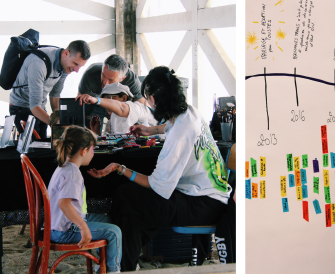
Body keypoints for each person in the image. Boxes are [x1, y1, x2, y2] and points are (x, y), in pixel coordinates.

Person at [87, 66, 232, 271]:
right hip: (211, 194)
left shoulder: (179, 135)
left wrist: (120, 168)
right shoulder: (190, 112)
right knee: (132, 201)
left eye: (147, 98)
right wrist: (151, 129)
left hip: (203, 205)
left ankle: (122, 263)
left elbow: (156, 185)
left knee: (128, 197)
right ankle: (124, 257)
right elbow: (170, 125)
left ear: (153, 99)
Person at [49, 125, 122, 273]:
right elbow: (64, 203)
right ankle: (113, 270)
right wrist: (83, 227)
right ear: (84, 151)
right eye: (93, 149)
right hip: (65, 230)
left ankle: (101, 266)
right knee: (114, 232)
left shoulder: (65, 167)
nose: (93, 153)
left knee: (110, 221)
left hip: (58, 225)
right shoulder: (72, 173)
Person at [9, 40, 91, 138]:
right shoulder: (38, 63)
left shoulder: (65, 65)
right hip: (21, 107)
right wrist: (58, 126)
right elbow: (34, 106)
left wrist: (60, 120)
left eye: (80, 66)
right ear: (66, 53)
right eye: (75, 64)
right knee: (34, 148)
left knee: (44, 144)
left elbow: (55, 96)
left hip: (39, 106)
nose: (77, 70)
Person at [78, 54, 149, 127]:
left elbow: (142, 106)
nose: (105, 83)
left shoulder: (132, 80)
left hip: (120, 106)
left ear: (122, 79)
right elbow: (79, 103)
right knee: (91, 127)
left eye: (110, 80)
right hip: (96, 104)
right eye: (103, 75)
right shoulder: (91, 73)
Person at [76, 82, 158, 135]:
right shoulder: (110, 123)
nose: (107, 105)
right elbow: (110, 144)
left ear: (124, 98)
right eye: (105, 101)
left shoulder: (138, 108)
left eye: (110, 99)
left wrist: (96, 100)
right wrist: (96, 132)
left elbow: (121, 108)